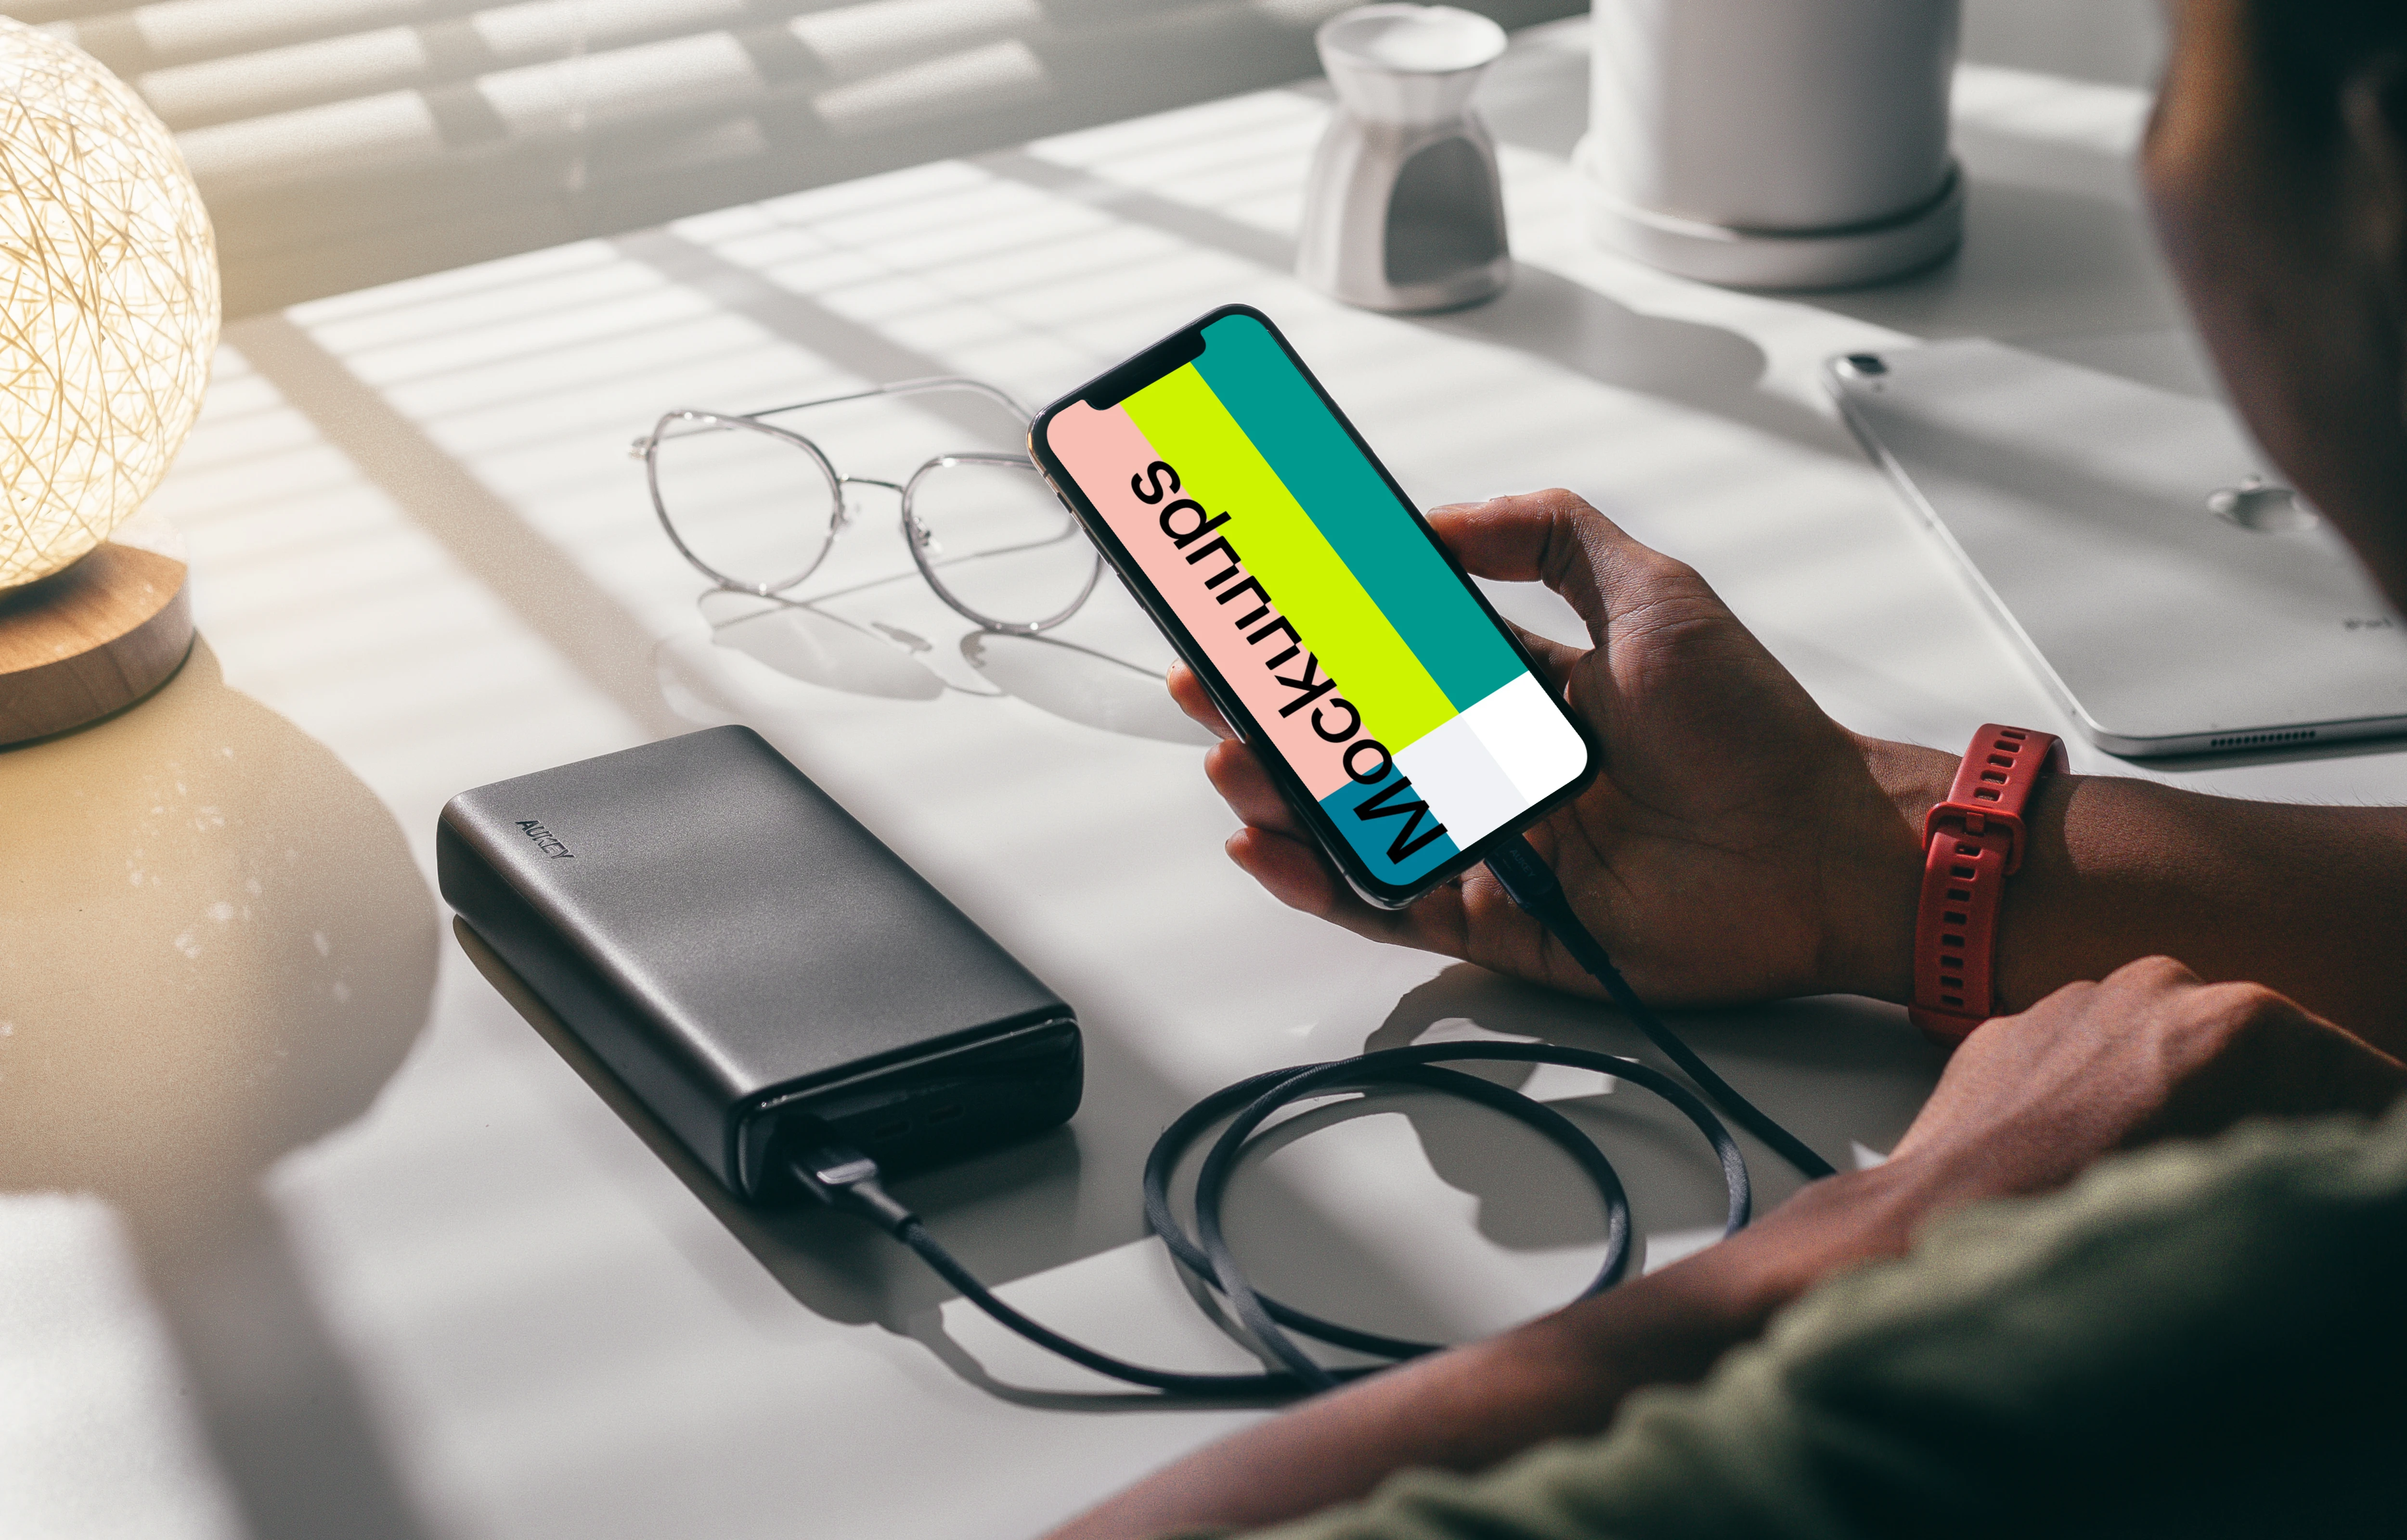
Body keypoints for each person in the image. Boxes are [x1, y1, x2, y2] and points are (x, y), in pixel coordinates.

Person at [1043, 2, 2407, 1536]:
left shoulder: (2277, 1293)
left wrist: (1899, 1232)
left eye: (2175, 65)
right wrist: (1861, 861)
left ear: (2369, 156)